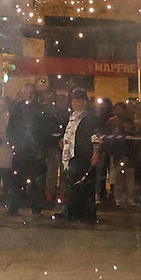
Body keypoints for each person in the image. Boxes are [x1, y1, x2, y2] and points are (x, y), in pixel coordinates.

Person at [61, 90, 100, 222]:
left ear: (84, 102)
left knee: (84, 184)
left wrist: (95, 152)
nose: (74, 103)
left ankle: (87, 213)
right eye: (73, 100)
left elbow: (96, 137)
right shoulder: (72, 117)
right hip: (72, 155)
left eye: (77, 100)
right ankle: (72, 210)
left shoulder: (90, 118)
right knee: (72, 184)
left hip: (84, 155)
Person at [6, 88, 44, 215]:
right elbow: (11, 127)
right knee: (16, 178)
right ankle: (14, 205)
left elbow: (44, 127)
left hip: (34, 150)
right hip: (21, 148)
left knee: (35, 180)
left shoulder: (39, 108)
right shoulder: (17, 108)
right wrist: (14, 143)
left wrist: (39, 145)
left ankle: (36, 206)